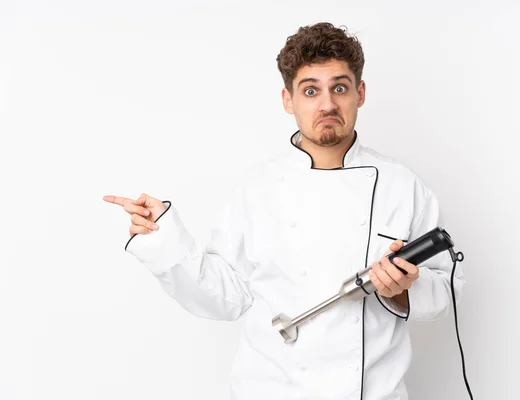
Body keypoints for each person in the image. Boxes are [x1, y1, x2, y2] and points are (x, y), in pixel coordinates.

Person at [103, 22, 465, 400]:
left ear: (360, 93)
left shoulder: (403, 187)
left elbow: (448, 288)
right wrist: (163, 239)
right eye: (311, 91)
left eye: (339, 88)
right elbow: (226, 298)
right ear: (288, 100)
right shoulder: (256, 189)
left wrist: (403, 292)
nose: (327, 104)